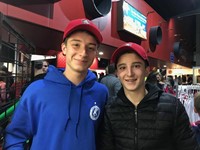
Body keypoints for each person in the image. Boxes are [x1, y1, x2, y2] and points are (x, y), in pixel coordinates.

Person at [4, 18, 108, 150]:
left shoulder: (101, 93)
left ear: (95, 53)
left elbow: (102, 137)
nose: (83, 53)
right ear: (64, 48)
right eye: (76, 45)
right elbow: (15, 137)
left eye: (91, 48)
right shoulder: (36, 91)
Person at [97, 42, 199, 150]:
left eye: (136, 66)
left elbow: (189, 146)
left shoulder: (172, 106)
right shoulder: (110, 109)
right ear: (117, 73)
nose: (129, 73)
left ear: (146, 71)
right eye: (123, 67)